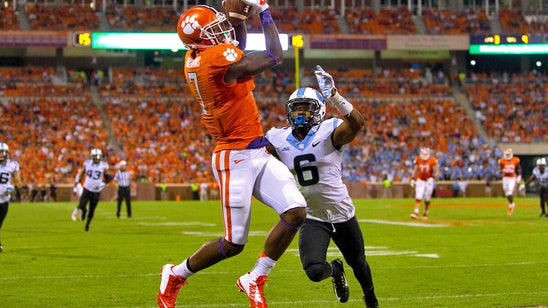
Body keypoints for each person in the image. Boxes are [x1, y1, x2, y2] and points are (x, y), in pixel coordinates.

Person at [157, 2, 307, 308]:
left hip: (256, 150)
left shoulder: (199, 55)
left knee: (296, 211)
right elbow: (274, 56)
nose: (221, 32)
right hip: (233, 157)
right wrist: (264, 13)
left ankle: (255, 278)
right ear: (200, 40)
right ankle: (176, 273)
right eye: (213, 30)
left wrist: (238, 18)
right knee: (234, 243)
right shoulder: (213, 61)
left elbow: (234, 46)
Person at [265, 66, 379, 307]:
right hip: (311, 215)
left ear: (318, 111)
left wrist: (334, 95)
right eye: (296, 108)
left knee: (358, 263)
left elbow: (358, 123)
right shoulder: (277, 137)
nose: (300, 113)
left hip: (340, 211)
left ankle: (370, 296)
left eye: (306, 108)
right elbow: (254, 154)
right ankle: (335, 269)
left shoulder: (329, 130)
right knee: (315, 270)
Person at [73, 148, 110, 232]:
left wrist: (103, 184)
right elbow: (82, 173)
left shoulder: (103, 166)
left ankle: (87, 225)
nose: (96, 158)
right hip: (87, 188)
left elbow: (108, 177)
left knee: (92, 210)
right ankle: (84, 210)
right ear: (92, 156)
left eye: (98, 156)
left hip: (96, 192)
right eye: (95, 156)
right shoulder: (87, 163)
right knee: (81, 205)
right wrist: (77, 183)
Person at [0, 142, 23, 253]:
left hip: (4, 200)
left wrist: (14, 187)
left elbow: (18, 181)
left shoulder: (12, 165)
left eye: (2, 152)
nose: (0, 154)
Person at [409, 147, 440, 219]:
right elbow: (415, 169)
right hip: (420, 180)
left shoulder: (432, 160)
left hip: (428, 180)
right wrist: (413, 178)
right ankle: (415, 212)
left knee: (427, 198)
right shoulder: (418, 159)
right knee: (418, 196)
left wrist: (433, 178)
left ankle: (426, 212)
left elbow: (437, 171)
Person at [497, 148, 522, 216]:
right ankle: (511, 203)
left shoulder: (515, 160)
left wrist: (520, 175)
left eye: (508, 154)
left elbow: (519, 168)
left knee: (510, 192)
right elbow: (499, 169)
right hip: (505, 178)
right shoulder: (502, 160)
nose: (507, 156)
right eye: (506, 154)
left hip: (512, 178)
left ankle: (511, 205)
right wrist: (502, 171)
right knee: (506, 193)